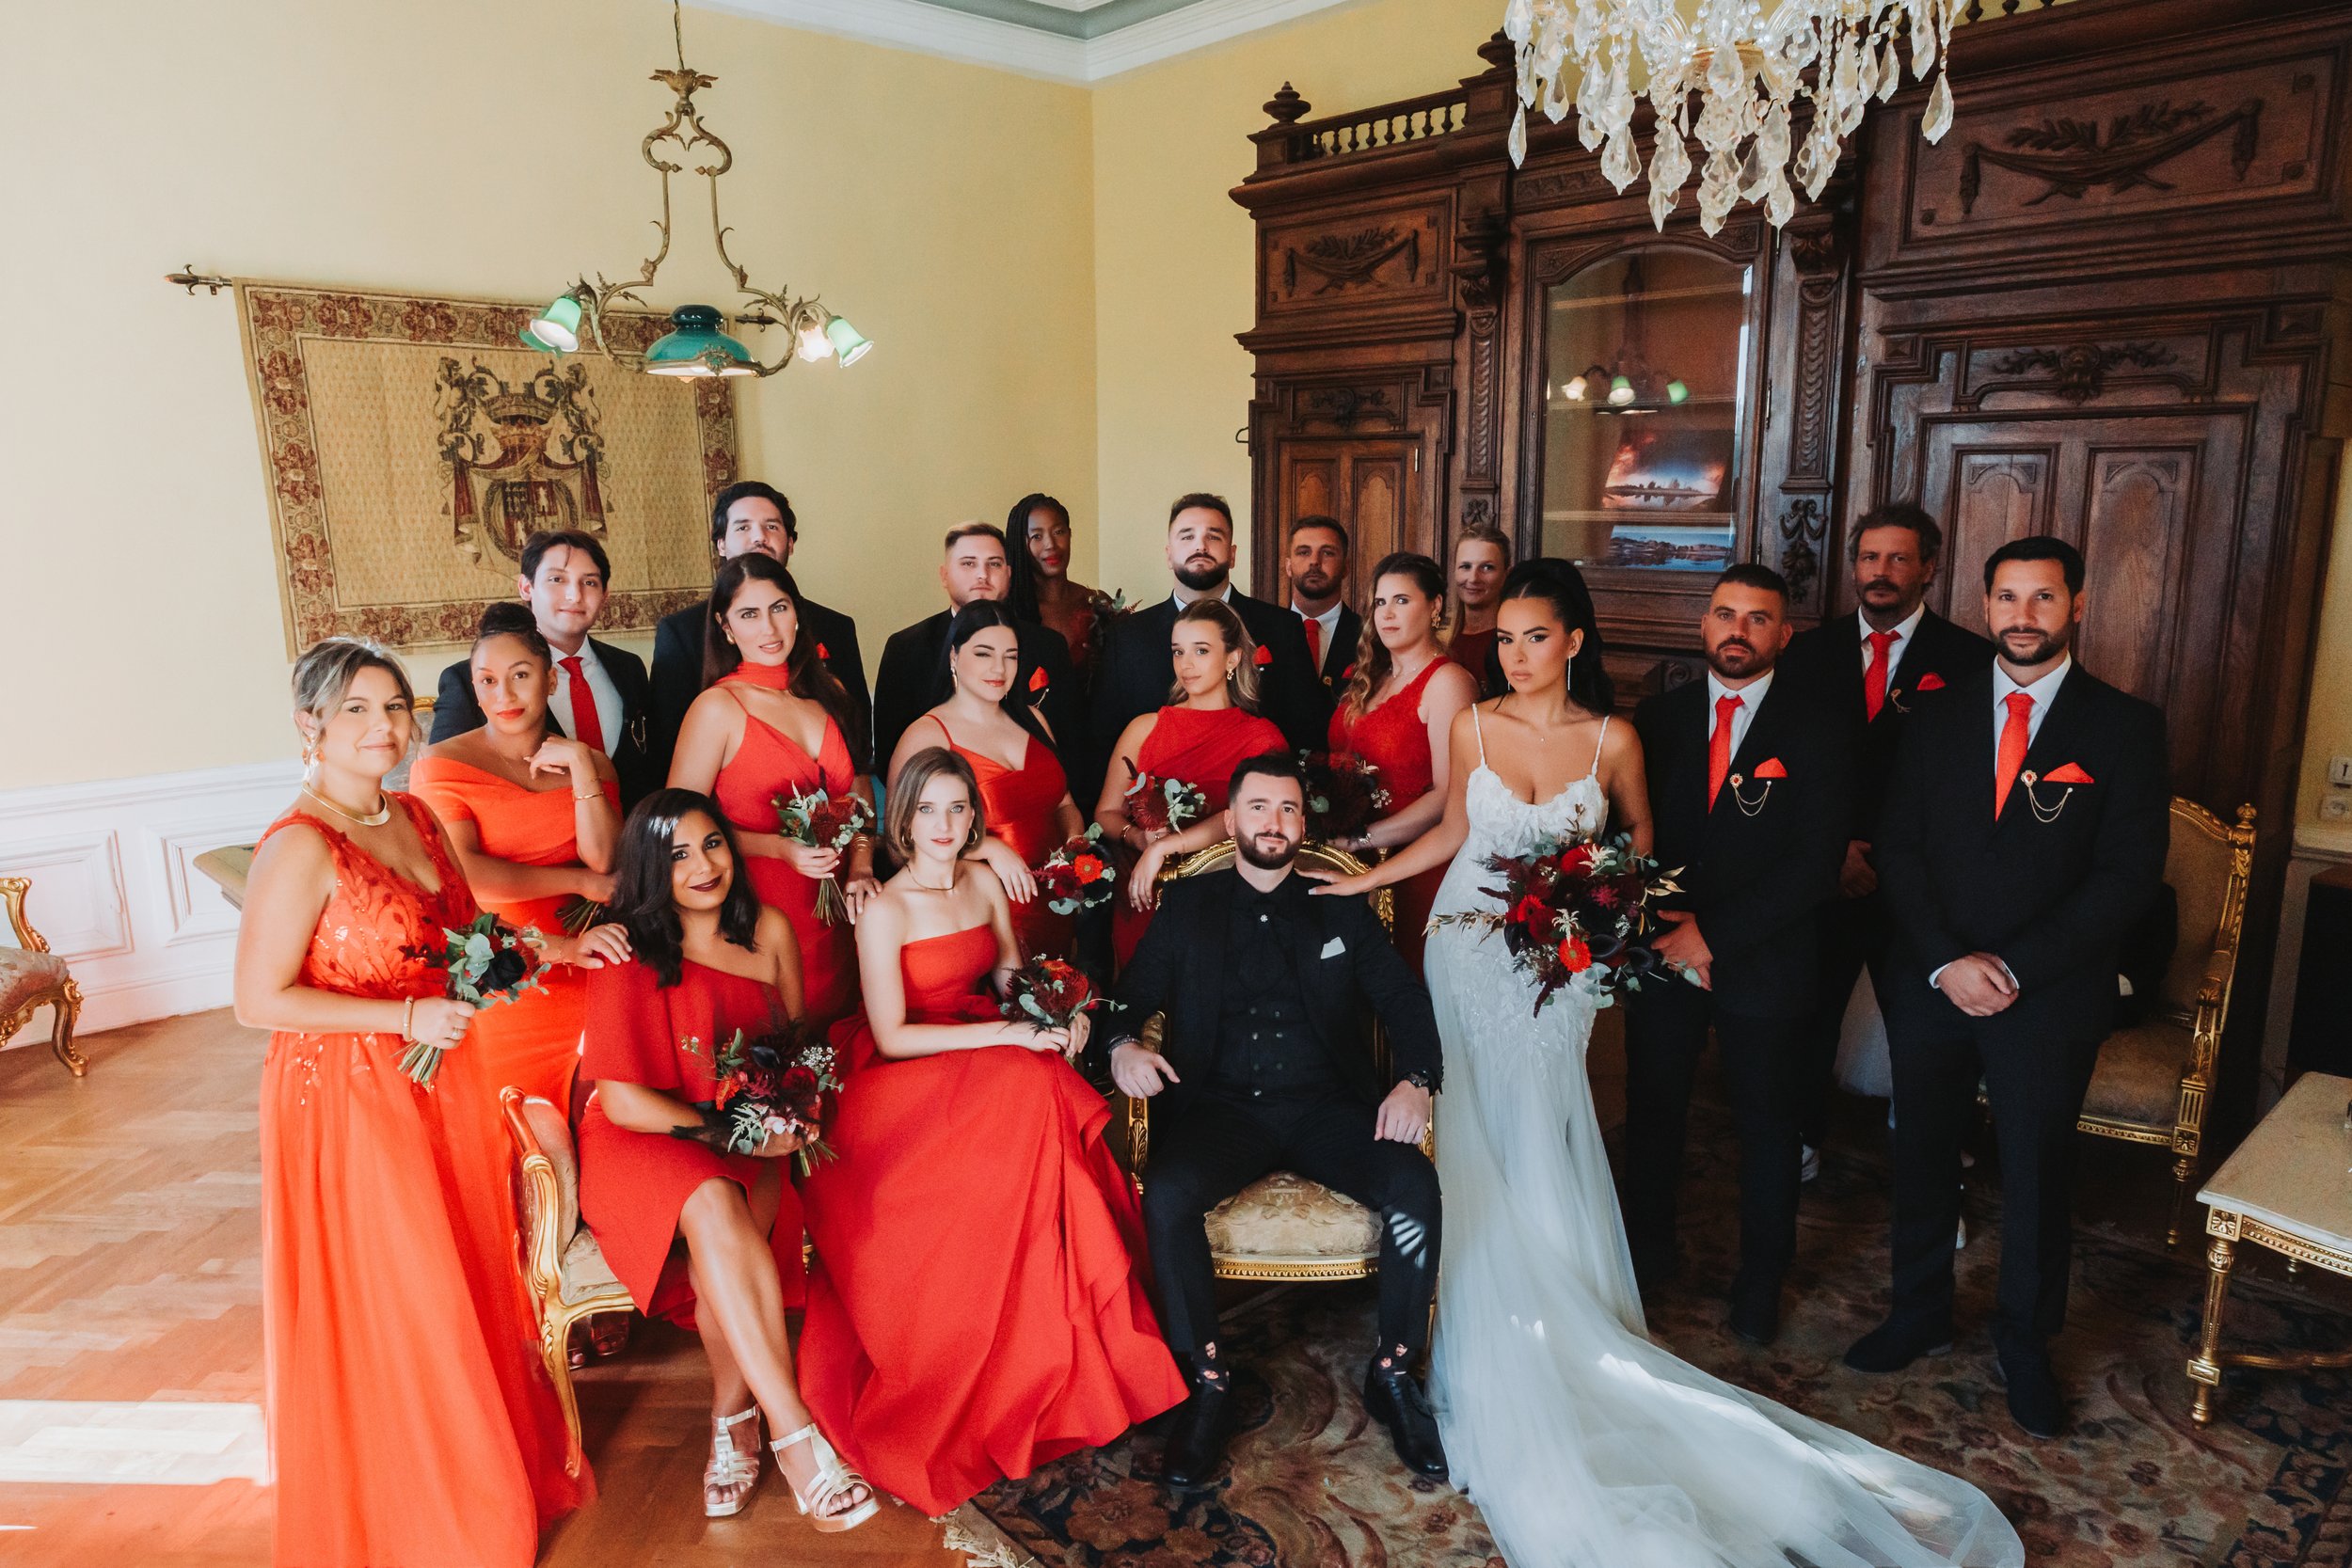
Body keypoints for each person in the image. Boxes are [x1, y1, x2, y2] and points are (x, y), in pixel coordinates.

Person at [1313, 561, 2022, 1568]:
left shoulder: (1616, 737)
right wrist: (1362, 883)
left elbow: (1640, 837)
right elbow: (1454, 833)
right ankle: (1464, 1307)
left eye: (1532, 636)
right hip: (1464, 954)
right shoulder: (1472, 722)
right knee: (1464, 1123)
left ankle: (1563, 1310)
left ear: (1571, 639)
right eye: (1503, 637)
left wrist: (1602, 906)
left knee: (1545, 1124)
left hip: (1550, 972)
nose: (1513, 653)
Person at [233, 639, 589, 1567]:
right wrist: (404, 1013)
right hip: (348, 1097)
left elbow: (466, 934)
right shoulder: (300, 844)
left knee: (463, 1265)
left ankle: (482, 1466)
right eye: (357, 707)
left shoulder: (421, 817)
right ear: (309, 723)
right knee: (399, 1290)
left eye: (396, 706)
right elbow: (255, 999)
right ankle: (420, 1508)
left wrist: (533, 955)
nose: (385, 724)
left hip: (439, 1075)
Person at [797, 749, 1185, 1514]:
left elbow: (1007, 974)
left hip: (983, 1045)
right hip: (900, 1076)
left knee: (1041, 1079)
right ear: (905, 819)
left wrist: (1053, 1007)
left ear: (974, 816)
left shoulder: (979, 881)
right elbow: (896, 1032)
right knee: (1030, 1080)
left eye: (958, 809)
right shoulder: (886, 907)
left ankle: (1068, 1352)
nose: (945, 825)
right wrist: (1011, 1039)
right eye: (929, 811)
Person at [1848, 536, 2169, 1442]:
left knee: (2035, 1171)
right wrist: (1949, 959)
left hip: (2050, 991)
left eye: (2043, 598)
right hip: (1934, 981)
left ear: (2076, 606)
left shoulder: (2124, 726)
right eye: (2007, 598)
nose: (2023, 615)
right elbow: (1900, 848)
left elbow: (2125, 877)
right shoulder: (1936, 715)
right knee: (1921, 1151)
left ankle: (2025, 1341)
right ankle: (1916, 1311)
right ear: (1984, 606)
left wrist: (2018, 967)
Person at [1107, 752, 1447, 1487]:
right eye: (1259, 807)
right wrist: (1121, 1046)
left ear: (1302, 823)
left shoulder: (1340, 903)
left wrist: (1417, 1081)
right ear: (1230, 822)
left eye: (1289, 809)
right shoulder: (1188, 907)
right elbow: (1125, 1001)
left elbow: (1404, 1003)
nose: (1275, 822)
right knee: (1167, 1191)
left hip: (1327, 1108)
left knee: (1415, 1186)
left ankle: (1394, 1374)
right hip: (1222, 1109)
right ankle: (1207, 1379)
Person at [573, 789, 878, 1530]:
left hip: (745, 1130)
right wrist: (724, 1131)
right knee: (712, 1201)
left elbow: (798, 1047)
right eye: (678, 853)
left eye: (713, 844)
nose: (703, 864)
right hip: (646, 1137)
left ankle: (730, 1415)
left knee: (733, 1240)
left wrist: (794, 1117)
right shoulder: (628, 944)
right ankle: (796, 1437)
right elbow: (622, 1100)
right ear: (652, 866)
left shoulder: (768, 929)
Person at [1624, 565, 1855, 1344]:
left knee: (1768, 1127)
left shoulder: (1820, 725)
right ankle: (1647, 1255)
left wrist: (1712, 935)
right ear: (1703, 623)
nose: (1738, 630)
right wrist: (1669, 925)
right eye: (1725, 614)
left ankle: (1762, 1279)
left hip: (1768, 955)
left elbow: (1815, 864)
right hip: (1663, 949)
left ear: (1783, 635)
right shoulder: (1657, 719)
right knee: (1654, 1112)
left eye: (1758, 619)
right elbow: (1631, 837)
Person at [1779, 503, 1994, 1164]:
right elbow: (1786, 765)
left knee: (1923, 1033)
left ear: (1928, 568)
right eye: (1870, 558)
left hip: (1920, 885)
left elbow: (1970, 785)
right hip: (1826, 872)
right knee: (1808, 1019)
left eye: (1899, 558)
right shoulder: (1809, 651)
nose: (1882, 571)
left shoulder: (1970, 659)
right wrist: (1831, 849)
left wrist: (1904, 864)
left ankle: (1931, 1166)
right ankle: (1803, 1144)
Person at [411, 602, 634, 1114]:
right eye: (486, 681)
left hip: (596, 957)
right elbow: (468, 876)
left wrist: (580, 765)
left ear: (550, 682)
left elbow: (604, 861)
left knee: (598, 1113)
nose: (503, 695)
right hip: (499, 967)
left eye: (520, 675)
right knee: (513, 1120)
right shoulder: (441, 764)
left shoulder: (591, 762)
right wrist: (579, 883)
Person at [669, 552, 877, 1028]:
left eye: (779, 608)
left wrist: (862, 865)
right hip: (758, 909)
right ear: (725, 627)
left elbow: (859, 796)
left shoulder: (831, 692)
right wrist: (777, 849)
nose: (769, 628)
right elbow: (678, 828)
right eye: (749, 614)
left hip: (837, 908)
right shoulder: (716, 708)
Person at [1087, 493, 1325, 803]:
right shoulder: (1127, 636)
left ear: (1233, 553)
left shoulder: (1282, 627)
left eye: (1214, 536)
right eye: (1188, 536)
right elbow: (1102, 740)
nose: (1200, 546)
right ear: (1169, 554)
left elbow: (1308, 734)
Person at [886, 601, 1088, 960]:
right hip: (981, 913)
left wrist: (1075, 844)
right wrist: (989, 849)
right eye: (984, 653)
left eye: (1010, 656)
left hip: (1057, 906)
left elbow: (1065, 803)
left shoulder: (1034, 720)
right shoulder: (927, 735)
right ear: (953, 656)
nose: (999, 668)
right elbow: (899, 842)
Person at [1097, 599, 1287, 970]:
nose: (1185, 664)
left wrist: (1168, 846)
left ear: (1232, 658)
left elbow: (1248, 815)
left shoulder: (1262, 737)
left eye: (1201, 651)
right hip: (1145, 893)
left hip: (1228, 900)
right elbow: (1106, 811)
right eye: (1178, 651)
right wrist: (1138, 839)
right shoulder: (1144, 727)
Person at [1324, 551, 1480, 974]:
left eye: (1401, 601)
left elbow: (1449, 796)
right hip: (1352, 857)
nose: (1386, 614)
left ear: (1435, 608)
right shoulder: (1369, 676)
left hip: (1418, 865)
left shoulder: (1447, 682)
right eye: (1379, 603)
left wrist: (1363, 839)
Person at [650, 482, 868, 777]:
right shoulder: (681, 631)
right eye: (743, 527)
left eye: (771, 527)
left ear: (790, 543)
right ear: (721, 545)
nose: (759, 537)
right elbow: (666, 748)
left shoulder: (836, 627)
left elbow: (858, 738)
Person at [431, 529, 660, 806]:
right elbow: (445, 784)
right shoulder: (468, 680)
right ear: (526, 587)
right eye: (556, 579)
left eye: (589, 582)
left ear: (605, 593)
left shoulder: (628, 668)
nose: (575, 595)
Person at [871, 521, 1078, 775]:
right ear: (944, 575)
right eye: (968, 563)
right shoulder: (906, 648)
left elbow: (1071, 745)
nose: (983, 574)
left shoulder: (1048, 645)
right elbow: (888, 755)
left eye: (994, 564)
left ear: (1009, 574)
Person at [1005, 491, 1107, 675]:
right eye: (1037, 536)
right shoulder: (1008, 609)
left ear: (1070, 535)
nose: (1050, 544)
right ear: (1020, 544)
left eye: (1058, 532)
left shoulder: (1097, 602)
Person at [1286, 514, 1360, 698]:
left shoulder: (1369, 635)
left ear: (1345, 567)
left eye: (1327, 552)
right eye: (1304, 552)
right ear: (1288, 566)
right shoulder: (1262, 630)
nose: (1314, 561)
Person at [1443, 523, 1510, 692]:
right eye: (1465, 567)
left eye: (1487, 567)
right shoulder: (1438, 639)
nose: (1473, 578)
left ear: (1506, 575)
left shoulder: (1511, 641)